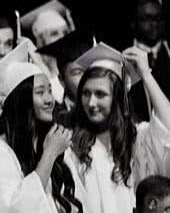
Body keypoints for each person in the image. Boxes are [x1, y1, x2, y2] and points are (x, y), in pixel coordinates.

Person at [0, 42, 83, 213]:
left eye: (49, 90)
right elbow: (15, 208)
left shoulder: (51, 142)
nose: (50, 99)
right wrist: (49, 154)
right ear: (21, 101)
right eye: (40, 92)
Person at [65, 43, 170, 213]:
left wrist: (146, 75)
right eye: (86, 93)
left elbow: (168, 128)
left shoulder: (138, 140)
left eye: (100, 94)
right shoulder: (73, 148)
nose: (91, 103)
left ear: (118, 98)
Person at [36, 30, 94, 122]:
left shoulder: (112, 110)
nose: (87, 77)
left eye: (91, 69)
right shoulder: (53, 121)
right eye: (78, 72)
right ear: (61, 80)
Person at [129, 0, 170, 123]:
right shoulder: (124, 58)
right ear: (134, 23)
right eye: (147, 18)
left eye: (159, 18)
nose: (154, 23)